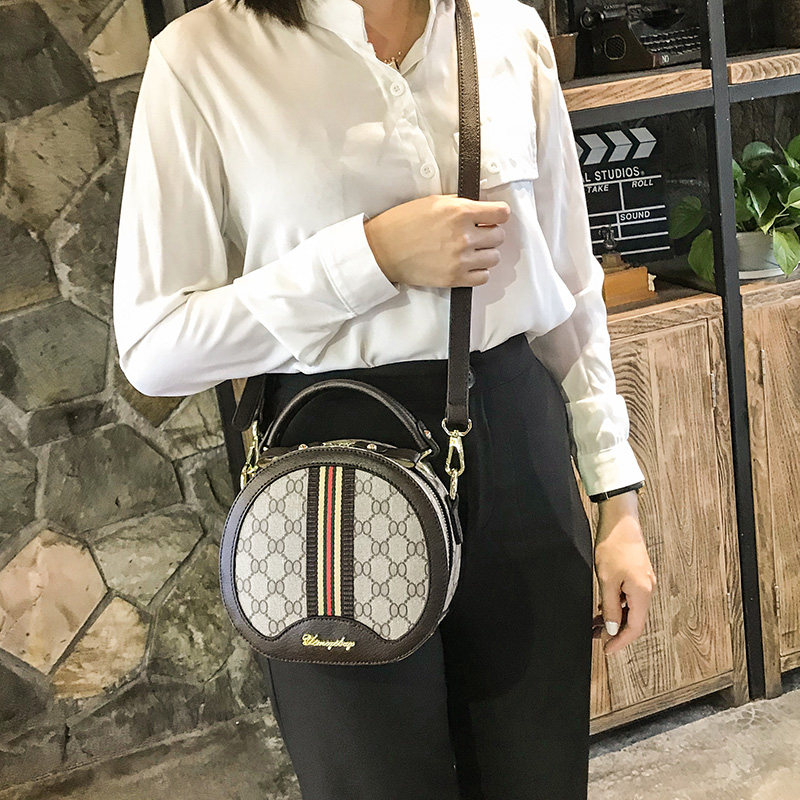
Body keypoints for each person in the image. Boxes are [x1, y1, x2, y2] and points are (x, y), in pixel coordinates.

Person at [112, 0, 657, 797]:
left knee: (539, 773)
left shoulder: (506, 29)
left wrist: (618, 501)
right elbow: (156, 346)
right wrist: (369, 259)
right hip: (331, 469)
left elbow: (571, 288)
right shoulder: (203, 56)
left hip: (517, 443)